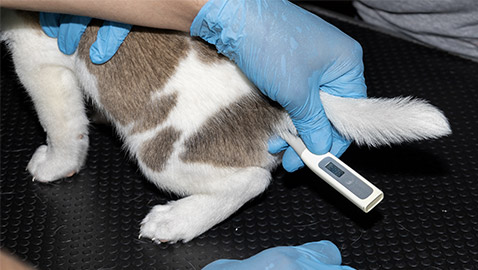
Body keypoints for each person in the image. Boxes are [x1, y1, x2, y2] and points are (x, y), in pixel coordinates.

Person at [1, 0, 366, 269]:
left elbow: (44, 70)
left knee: (160, 164)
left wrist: (63, 153)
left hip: (199, 126)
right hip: (237, 86)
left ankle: (234, 183)